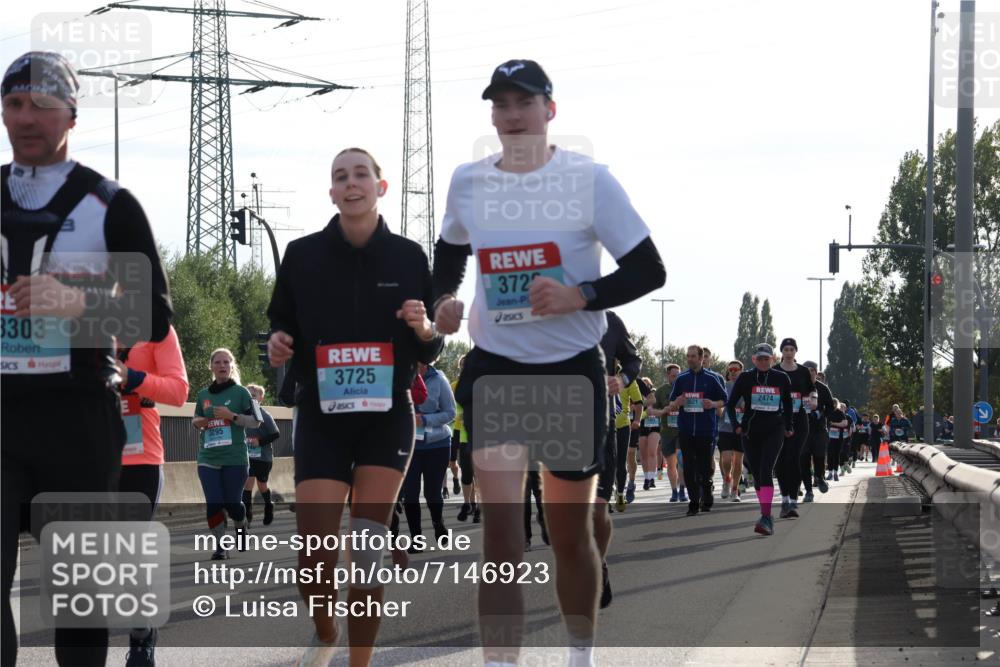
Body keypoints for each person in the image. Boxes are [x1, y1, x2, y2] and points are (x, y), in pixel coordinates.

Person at [431, 59, 665, 666]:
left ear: (549, 111)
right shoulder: (468, 181)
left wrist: (580, 295)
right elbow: (449, 252)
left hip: (567, 371)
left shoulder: (590, 181)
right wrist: (443, 301)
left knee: (569, 536)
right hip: (496, 369)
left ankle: (579, 655)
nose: (511, 117)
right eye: (500, 105)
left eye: (524, 103)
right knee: (502, 539)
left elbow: (649, 269)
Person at [1, 51, 173, 667]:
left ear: (71, 114)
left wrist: (75, 302)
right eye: (14, 103)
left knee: (80, 600)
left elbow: (153, 318)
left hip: (76, 418)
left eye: (42, 104)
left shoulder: (109, 202)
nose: (27, 117)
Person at [266, 147, 444, 665]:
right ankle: (325, 633)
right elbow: (282, 323)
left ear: (380, 187)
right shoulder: (301, 254)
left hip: (386, 416)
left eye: (361, 174)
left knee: (365, 552)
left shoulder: (410, 256)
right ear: (331, 191)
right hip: (322, 415)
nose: (351, 183)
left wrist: (422, 327)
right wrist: (280, 341)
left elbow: (432, 346)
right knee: (314, 557)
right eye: (340, 176)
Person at [117, 326, 188, 667]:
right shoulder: (72, 316)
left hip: (138, 456)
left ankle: (141, 636)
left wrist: (133, 377)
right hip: (85, 452)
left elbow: (177, 392)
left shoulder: (156, 328)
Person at [192, 349, 262, 561]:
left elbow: (256, 421)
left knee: (233, 503)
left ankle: (240, 526)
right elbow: (195, 419)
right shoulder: (203, 395)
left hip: (235, 458)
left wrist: (231, 416)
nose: (222, 366)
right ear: (211, 366)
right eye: (217, 362)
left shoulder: (242, 393)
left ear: (232, 366)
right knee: (213, 503)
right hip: (208, 458)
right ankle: (220, 546)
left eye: (226, 362)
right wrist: (199, 423)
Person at [596, 309, 641, 609]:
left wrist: (622, 378)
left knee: (596, 509)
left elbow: (633, 360)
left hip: (600, 426)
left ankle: (598, 567)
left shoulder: (609, 320)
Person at [726, 343, 793, 536]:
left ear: (773, 359)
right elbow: (731, 405)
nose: (764, 362)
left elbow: (788, 404)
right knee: (756, 472)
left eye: (767, 358)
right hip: (750, 431)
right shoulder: (746, 378)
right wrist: (736, 425)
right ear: (754, 359)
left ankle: (766, 517)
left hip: (774, 429)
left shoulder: (781, 378)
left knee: (765, 469)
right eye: (760, 359)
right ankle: (766, 514)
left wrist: (788, 426)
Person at [667, 345, 727, 515]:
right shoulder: (681, 379)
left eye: (693, 356)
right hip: (686, 429)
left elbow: (724, 399)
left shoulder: (712, 378)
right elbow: (672, 403)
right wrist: (677, 402)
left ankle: (706, 498)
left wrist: (713, 404)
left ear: (701, 358)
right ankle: (693, 502)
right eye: (688, 356)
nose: (690, 358)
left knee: (704, 468)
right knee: (689, 467)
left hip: (705, 430)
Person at [403, 360, 456, 550]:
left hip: (437, 445)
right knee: (410, 495)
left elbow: (451, 413)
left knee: (432, 493)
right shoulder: (400, 377)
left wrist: (424, 419)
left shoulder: (439, 380)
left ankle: (438, 523)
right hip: (409, 446)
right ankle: (416, 539)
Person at [774, 338, 813, 519]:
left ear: (796, 352)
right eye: (786, 349)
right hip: (779, 420)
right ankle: (784, 499)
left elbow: (812, 391)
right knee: (782, 460)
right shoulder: (775, 370)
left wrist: (813, 401)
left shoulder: (804, 371)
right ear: (782, 352)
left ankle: (792, 499)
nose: (789, 352)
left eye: (792, 349)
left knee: (795, 458)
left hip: (799, 420)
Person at [242, 384, 281, 527]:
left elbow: (276, 434)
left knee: (262, 484)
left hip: (263, 457)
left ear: (261, 399)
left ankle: (269, 505)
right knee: (247, 484)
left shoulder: (265, 416)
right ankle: (247, 516)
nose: (251, 398)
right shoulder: (243, 415)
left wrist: (260, 441)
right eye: (248, 395)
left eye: (254, 396)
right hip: (248, 456)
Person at [648, 364, 685, 502]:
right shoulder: (661, 391)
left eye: (678, 376)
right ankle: (674, 491)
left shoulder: (685, 389)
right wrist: (664, 411)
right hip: (667, 431)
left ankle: (682, 490)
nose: (676, 379)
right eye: (673, 376)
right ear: (667, 376)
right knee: (671, 463)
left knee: (681, 461)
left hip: (682, 431)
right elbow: (651, 411)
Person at [799, 361, 833, 500]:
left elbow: (831, 408)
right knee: (804, 461)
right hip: (802, 430)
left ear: (816, 372)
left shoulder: (823, 389)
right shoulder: (798, 387)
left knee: (819, 457)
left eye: (813, 370)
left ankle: (819, 477)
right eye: (807, 370)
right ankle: (808, 491)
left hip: (819, 430)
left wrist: (821, 414)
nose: (810, 372)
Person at [717, 361, 745, 501]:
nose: (733, 372)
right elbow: (719, 404)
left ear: (741, 371)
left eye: (736, 369)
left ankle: (735, 490)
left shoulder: (746, 387)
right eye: (731, 370)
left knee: (738, 460)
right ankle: (726, 480)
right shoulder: (724, 387)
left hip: (740, 427)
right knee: (727, 459)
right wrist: (718, 409)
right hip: (725, 427)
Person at [825, 400, 850, 482]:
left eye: (835, 403)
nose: (833, 405)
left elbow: (845, 423)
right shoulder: (828, 412)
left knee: (836, 455)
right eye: (832, 403)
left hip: (839, 438)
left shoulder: (840, 413)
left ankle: (835, 473)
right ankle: (830, 473)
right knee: (829, 455)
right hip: (829, 438)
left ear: (837, 404)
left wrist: (834, 423)